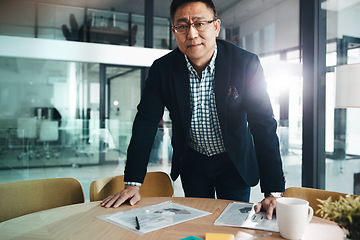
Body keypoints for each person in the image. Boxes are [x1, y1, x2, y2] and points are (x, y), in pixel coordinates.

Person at [101, 0, 285, 220]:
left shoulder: (245, 64)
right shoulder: (163, 70)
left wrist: (273, 191)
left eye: (199, 23)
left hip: (234, 161)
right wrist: (133, 184)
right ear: (174, 31)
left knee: (233, 223)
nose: (192, 33)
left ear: (216, 27)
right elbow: (145, 123)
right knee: (196, 221)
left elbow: (262, 124)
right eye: (182, 26)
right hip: (193, 162)